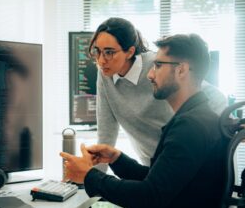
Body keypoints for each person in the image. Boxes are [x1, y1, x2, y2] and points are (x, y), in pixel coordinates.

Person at [61, 34, 226, 208]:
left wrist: (88, 176)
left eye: (158, 65)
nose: (150, 74)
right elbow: (158, 182)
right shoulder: (196, 117)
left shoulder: (190, 127)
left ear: (181, 70)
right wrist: (117, 159)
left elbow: (149, 197)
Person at [90, 17, 226, 166]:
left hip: (182, 159)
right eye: (97, 51)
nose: (101, 60)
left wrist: (224, 125)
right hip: (151, 164)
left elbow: (213, 96)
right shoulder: (105, 73)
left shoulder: (158, 65)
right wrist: (91, 180)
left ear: (129, 52)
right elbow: (106, 134)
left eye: (109, 52)